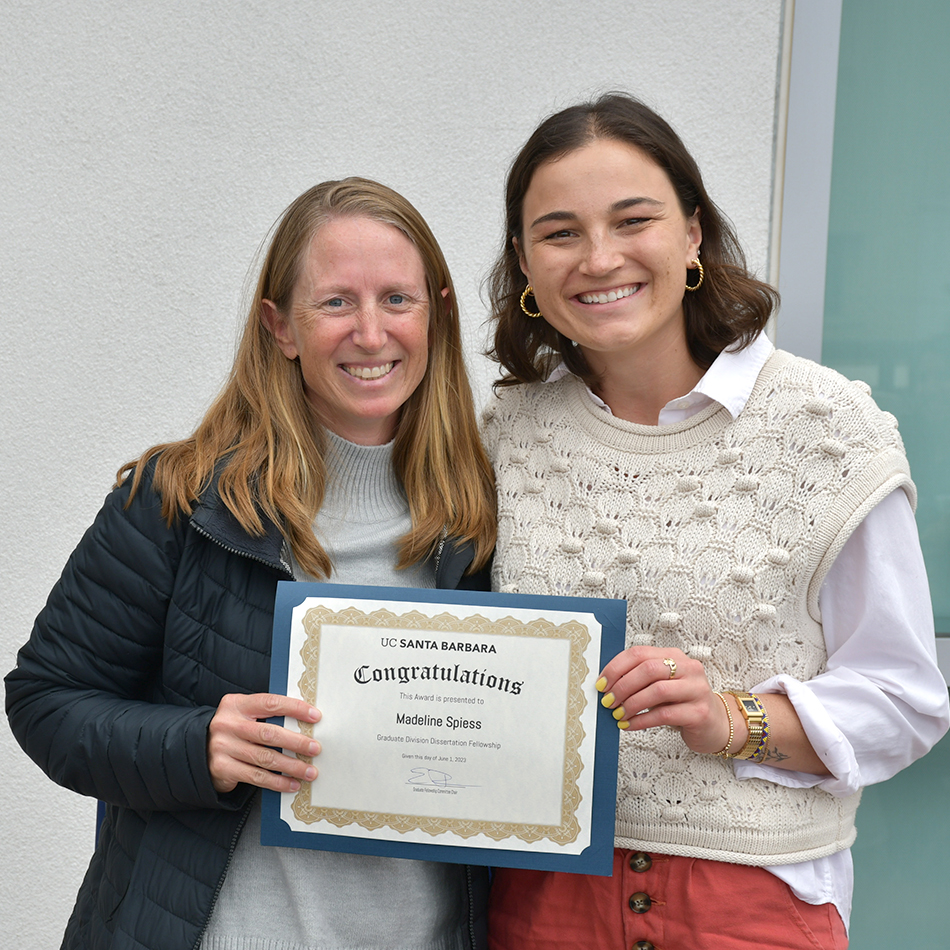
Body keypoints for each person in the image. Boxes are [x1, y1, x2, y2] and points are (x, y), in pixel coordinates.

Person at [481, 93, 949, 949]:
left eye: (634, 220)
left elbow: (905, 701)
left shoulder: (826, 429)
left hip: (751, 907)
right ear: (524, 262)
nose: (599, 257)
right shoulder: (501, 435)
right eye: (559, 233)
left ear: (693, 234)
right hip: (538, 898)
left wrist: (730, 719)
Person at [6, 177, 496, 950]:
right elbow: (45, 702)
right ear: (281, 328)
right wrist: (198, 747)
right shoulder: (179, 500)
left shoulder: (490, 525)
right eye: (336, 302)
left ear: (437, 314)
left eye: (398, 300)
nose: (371, 334)